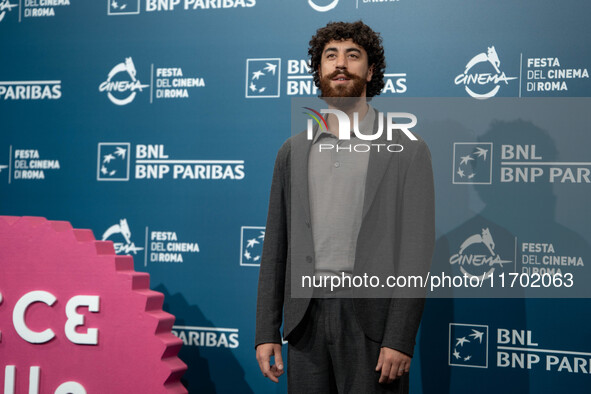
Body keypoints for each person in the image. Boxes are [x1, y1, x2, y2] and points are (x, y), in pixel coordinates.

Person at [255, 21, 435, 393]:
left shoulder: (407, 149)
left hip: (372, 323)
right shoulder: (292, 151)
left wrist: (399, 337)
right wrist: (265, 331)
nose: (341, 64)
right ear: (318, 70)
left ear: (370, 71)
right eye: (330, 56)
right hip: (305, 322)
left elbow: (416, 252)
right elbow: (275, 248)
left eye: (353, 56)